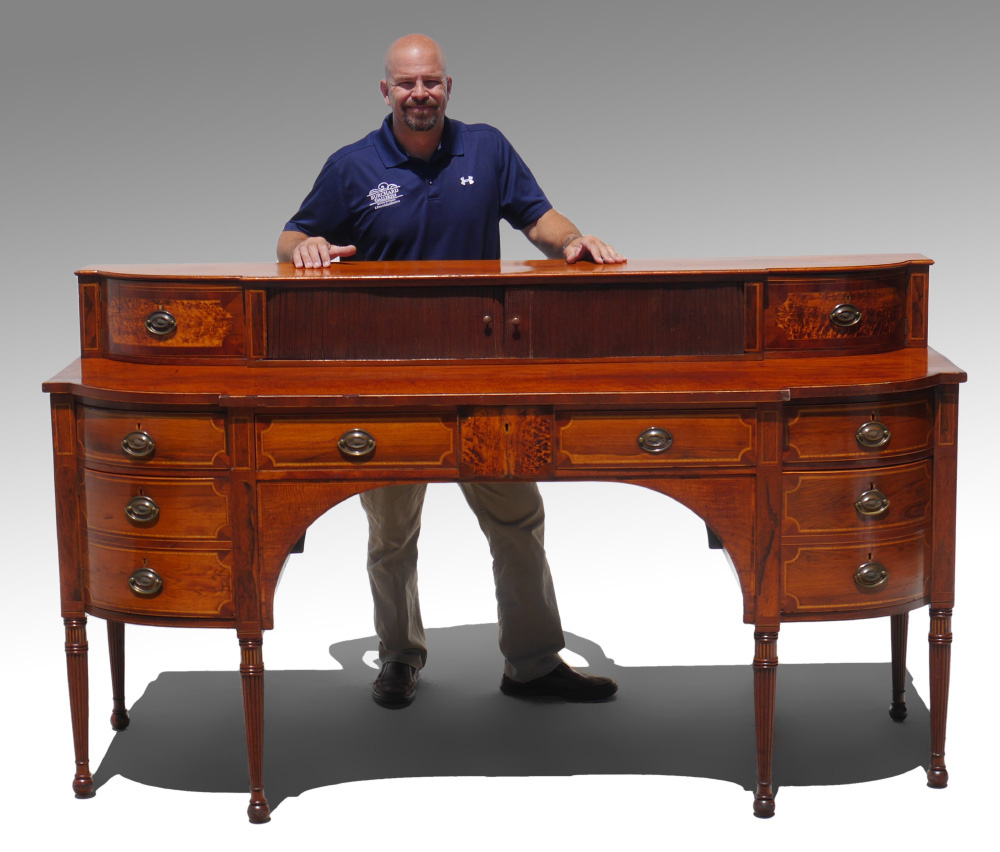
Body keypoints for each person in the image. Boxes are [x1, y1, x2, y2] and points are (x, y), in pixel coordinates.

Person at [278, 33, 625, 708]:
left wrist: (573, 241)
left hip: (482, 372)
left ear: (448, 87)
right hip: (385, 378)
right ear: (386, 91)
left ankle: (532, 663)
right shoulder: (351, 166)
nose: (419, 95)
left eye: (431, 83)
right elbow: (290, 236)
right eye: (406, 84)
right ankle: (400, 658)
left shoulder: (487, 147)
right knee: (391, 531)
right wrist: (307, 245)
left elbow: (539, 217)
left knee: (517, 516)